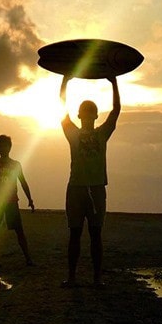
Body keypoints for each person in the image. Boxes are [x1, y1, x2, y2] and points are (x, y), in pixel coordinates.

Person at [59, 74, 120, 287]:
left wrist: (114, 83)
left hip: (96, 189)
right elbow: (60, 107)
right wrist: (65, 81)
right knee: (74, 234)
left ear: (95, 115)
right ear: (79, 114)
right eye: (84, 112)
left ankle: (97, 279)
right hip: (75, 188)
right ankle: (72, 277)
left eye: (90, 112)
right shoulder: (72, 134)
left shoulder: (102, 134)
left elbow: (116, 112)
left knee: (96, 235)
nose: (86, 115)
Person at [0, 135, 34, 266]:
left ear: (9, 147)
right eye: (0, 146)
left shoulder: (15, 164)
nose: (3, 148)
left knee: (19, 231)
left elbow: (23, 182)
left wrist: (30, 199)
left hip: (12, 201)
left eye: (5, 145)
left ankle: (28, 258)